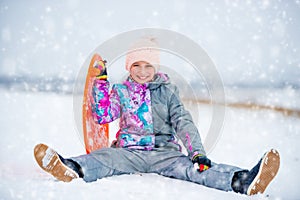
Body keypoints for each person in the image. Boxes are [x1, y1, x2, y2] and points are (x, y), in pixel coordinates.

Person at [34, 37, 280, 195]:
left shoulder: (168, 91)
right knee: (104, 158)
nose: (142, 71)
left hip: (166, 155)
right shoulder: (121, 91)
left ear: (156, 68)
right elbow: (102, 116)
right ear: (129, 68)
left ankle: (244, 180)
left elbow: (183, 121)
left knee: (195, 169)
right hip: (129, 152)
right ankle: (71, 168)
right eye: (136, 66)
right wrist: (100, 84)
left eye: (148, 66)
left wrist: (197, 152)